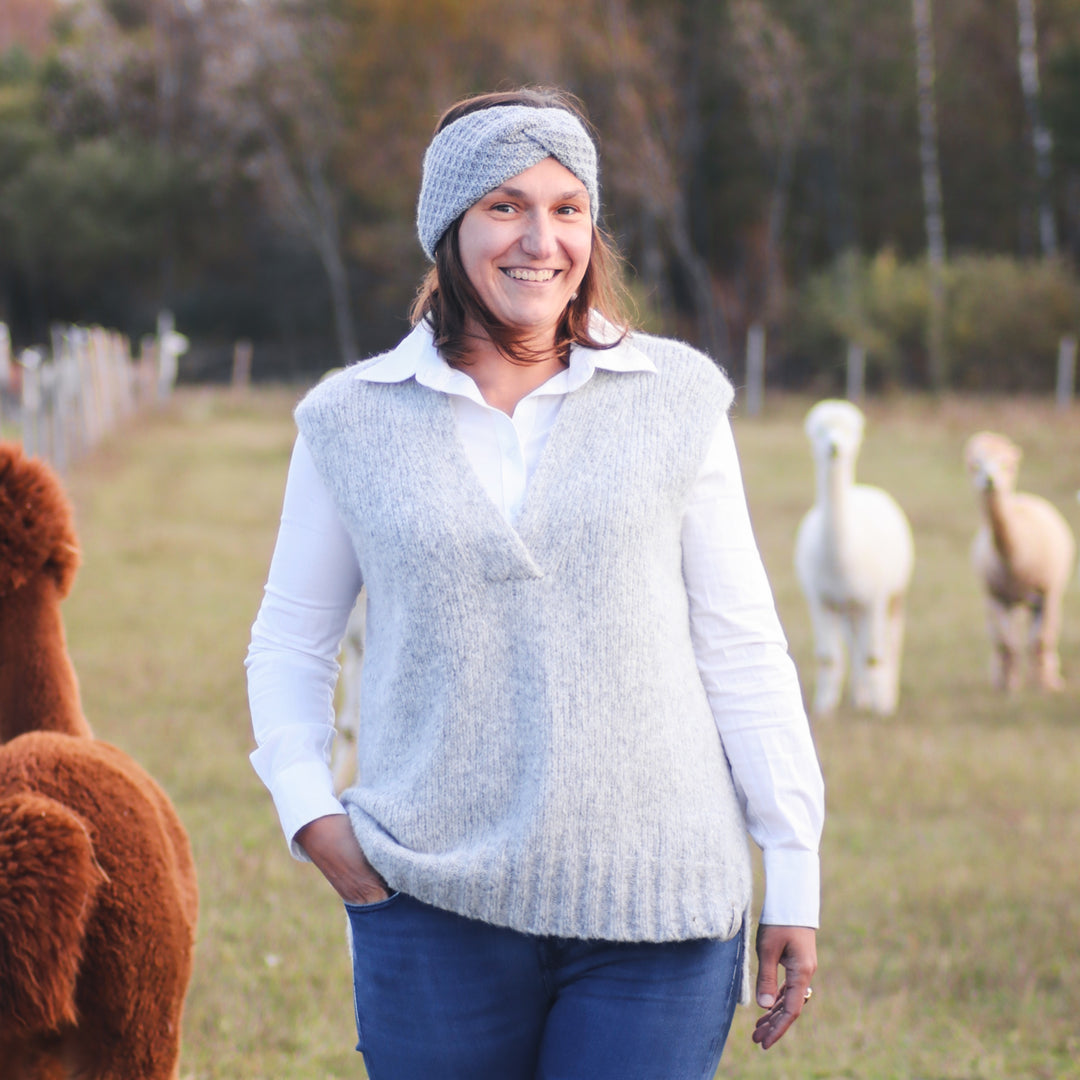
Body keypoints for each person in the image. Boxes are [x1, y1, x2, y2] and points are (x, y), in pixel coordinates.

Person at [246, 86, 824, 1080]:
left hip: (660, 912)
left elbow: (741, 647)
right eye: (504, 206)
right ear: (449, 227)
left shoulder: (677, 399)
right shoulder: (349, 421)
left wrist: (795, 871)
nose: (540, 240)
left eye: (567, 208)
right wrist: (310, 815)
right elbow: (290, 643)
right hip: (430, 907)